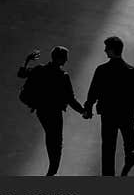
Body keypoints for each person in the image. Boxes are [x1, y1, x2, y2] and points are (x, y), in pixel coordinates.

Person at [18, 46, 85, 176]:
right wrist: (83, 111)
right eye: (65, 58)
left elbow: (21, 74)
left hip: (41, 111)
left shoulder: (39, 69)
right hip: (54, 112)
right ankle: (52, 171)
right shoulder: (63, 76)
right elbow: (71, 99)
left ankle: (52, 170)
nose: (66, 60)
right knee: (56, 141)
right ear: (60, 59)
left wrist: (27, 60)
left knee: (51, 137)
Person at [82, 36, 134, 176]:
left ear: (111, 50)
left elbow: (93, 91)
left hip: (108, 113)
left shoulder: (102, 70)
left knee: (108, 147)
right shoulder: (130, 71)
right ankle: (130, 156)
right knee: (129, 139)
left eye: (106, 48)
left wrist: (88, 108)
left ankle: (108, 174)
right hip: (125, 113)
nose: (104, 50)